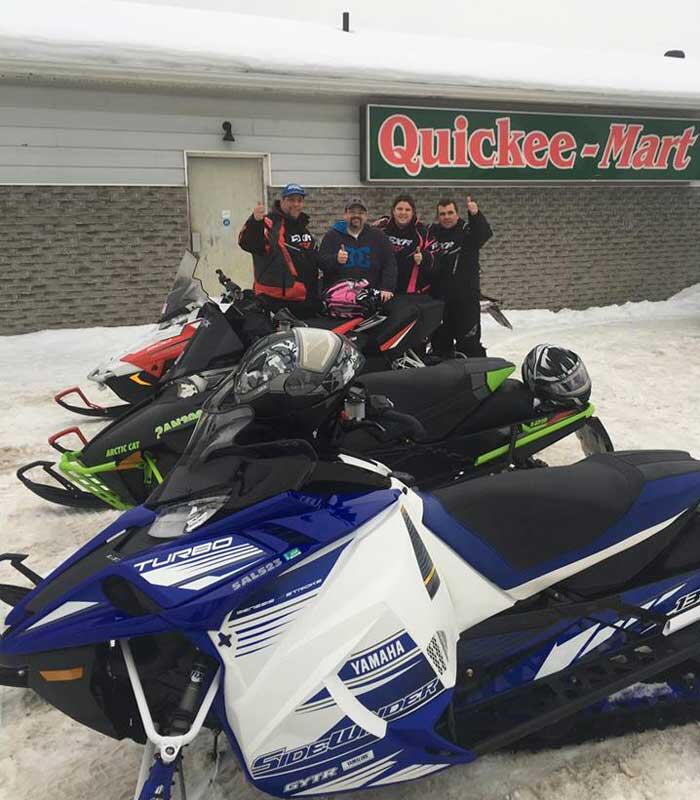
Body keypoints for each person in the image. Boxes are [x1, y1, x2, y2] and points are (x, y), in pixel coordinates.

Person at [238, 183, 322, 317]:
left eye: (299, 200)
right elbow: (248, 243)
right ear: (282, 201)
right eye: (291, 200)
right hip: (276, 304)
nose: (295, 204)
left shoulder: (303, 226)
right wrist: (255, 222)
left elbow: (314, 258)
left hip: (305, 302)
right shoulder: (270, 224)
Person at [428, 195, 493, 357]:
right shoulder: (432, 232)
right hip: (440, 302)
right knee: (440, 347)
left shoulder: (467, 231)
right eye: (442, 214)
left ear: (457, 214)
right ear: (438, 216)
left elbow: (484, 234)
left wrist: (475, 214)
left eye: (450, 213)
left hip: (466, 301)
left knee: (469, 346)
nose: (447, 217)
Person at [319, 197, 397, 301]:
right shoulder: (332, 236)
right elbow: (321, 262)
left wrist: (387, 288)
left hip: (370, 297)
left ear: (366, 216)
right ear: (345, 215)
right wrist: (335, 259)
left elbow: (390, 264)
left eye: (360, 213)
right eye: (352, 212)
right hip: (339, 298)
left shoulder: (378, 236)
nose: (356, 216)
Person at [372, 193, 436, 294]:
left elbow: (435, 256)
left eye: (407, 210)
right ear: (393, 211)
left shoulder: (422, 232)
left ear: (413, 213)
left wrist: (424, 257)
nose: (403, 213)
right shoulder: (381, 227)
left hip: (409, 292)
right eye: (400, 209)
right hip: (381, 288)